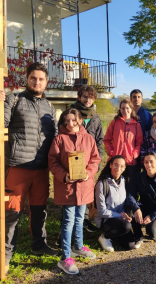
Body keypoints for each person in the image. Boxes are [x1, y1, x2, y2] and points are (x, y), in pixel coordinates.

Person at [0, 62, 58, 274]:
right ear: (27, 79)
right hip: (18, 166)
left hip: (42, 169)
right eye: (33, 78)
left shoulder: (50, 107)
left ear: (46, 82)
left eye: (41, 79)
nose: (37, 82)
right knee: (11, 212)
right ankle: (5, 256)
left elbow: (54, 138)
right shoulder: (14, 99)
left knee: (39, 210)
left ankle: (39, 244)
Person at [48, 108, 101, 274]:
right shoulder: (59, 139)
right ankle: (65, 257)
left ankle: (78, 246)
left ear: (79, 120)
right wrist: (64, 176)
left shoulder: (89, 138)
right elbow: (53, 162)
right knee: (68, 220)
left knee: (79, 219)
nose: (70, 124)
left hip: (84, 186)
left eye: (73, 120)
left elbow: (95, 159)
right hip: (67, 187)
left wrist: (88, 173)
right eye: (66, 121)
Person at [70, 85, 104, 233]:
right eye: (85, 96)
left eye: (91, 97)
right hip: (73, 159)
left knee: (86, 191)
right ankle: (69, 224)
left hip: (90, 162)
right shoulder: (71, 113)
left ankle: (83, 221)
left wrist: (98, 160)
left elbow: (99, 141)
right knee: (72, 192)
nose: (88, 100)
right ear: (79, 97)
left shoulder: (95, 118)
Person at [95, 155, 138, 252]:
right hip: (105, 219)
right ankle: (104, 237)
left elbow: (127, 200)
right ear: (110, 165)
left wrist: (129, 214)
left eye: (122, 166)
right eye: (116, 165)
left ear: (125, 168)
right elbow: (102, 211)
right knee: (126, 226)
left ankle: (115, 235)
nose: (118, 168)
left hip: (120, 219)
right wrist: (119, 215)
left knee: (130, 245)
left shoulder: (124, 181)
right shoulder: (102, 184)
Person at [126, 152, 156, 242]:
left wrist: (151, 216)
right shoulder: (138, 177)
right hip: (143, 207)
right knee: (130, 209)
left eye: (151, 162)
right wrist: (136, 208)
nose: (148, 165)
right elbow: (130, 195)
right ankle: (138, 236)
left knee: (152, 232)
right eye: (146, 162)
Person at [104, 99, 143, 189]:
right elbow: (107, 140)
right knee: (113, 186)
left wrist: (134, 155)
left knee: (129, 187)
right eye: (123, 108)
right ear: (120, 109)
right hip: (115, 160)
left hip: (130, 162)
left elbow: (139, 143)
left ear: (131, 109)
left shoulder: (136, 125)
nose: (125, 110)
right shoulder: (114, 122)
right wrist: (111, 152)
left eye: (127, 108)